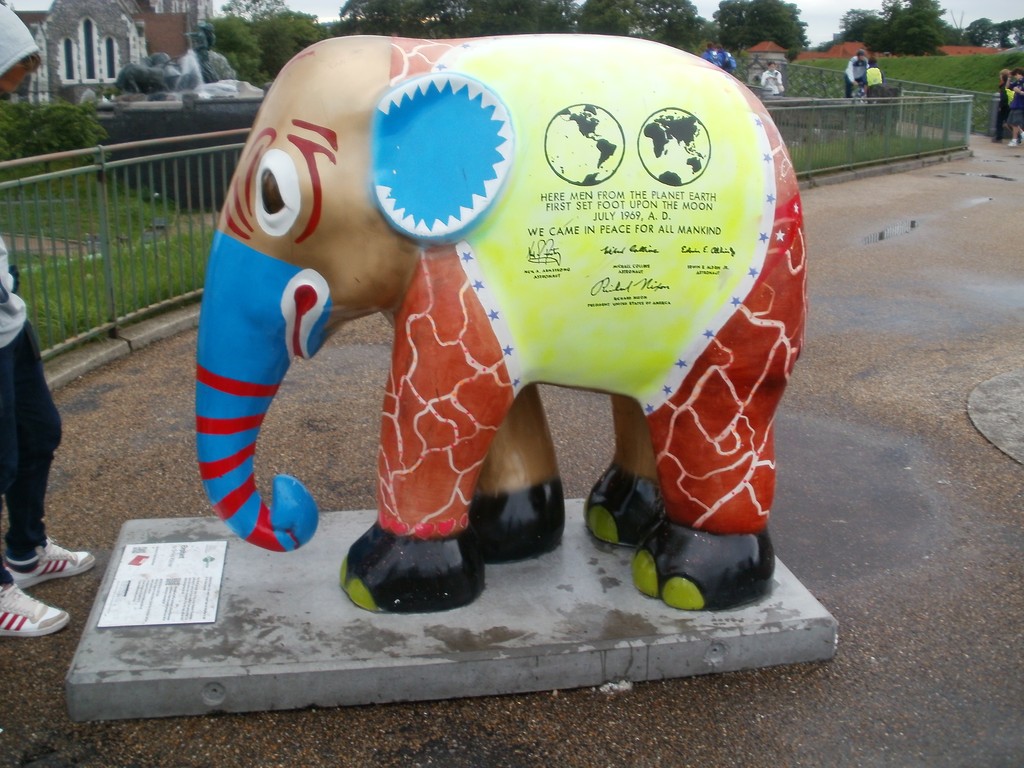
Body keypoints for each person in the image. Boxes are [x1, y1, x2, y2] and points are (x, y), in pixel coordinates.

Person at [0, 0, 95, 638]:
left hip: (9, 320)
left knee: (39, 433)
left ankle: (26, 552)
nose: (9, 96)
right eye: (6, 82)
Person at [1007, 68, 1024, 148]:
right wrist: (1009, 78)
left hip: (1021, 105)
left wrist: (1019, 92)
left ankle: (1014, 140)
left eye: (1016, 75)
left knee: (1015, 123)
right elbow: (1008, 87)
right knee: (1009, 122)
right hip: (1015, 104)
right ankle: (1021, 134)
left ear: (1019, 74)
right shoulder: (1017, 82)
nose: (1015, 77)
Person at [994, 69, 1011, 143]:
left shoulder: (1004, 85)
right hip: (1010, 105)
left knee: (1000, 121)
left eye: (1000, 75)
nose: (999, 77)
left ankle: (999, 137)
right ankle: (1018, 136)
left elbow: (1004, 97)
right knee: (1010, 121)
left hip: (1004, 105)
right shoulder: (1010, 83)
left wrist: (1000, 106)